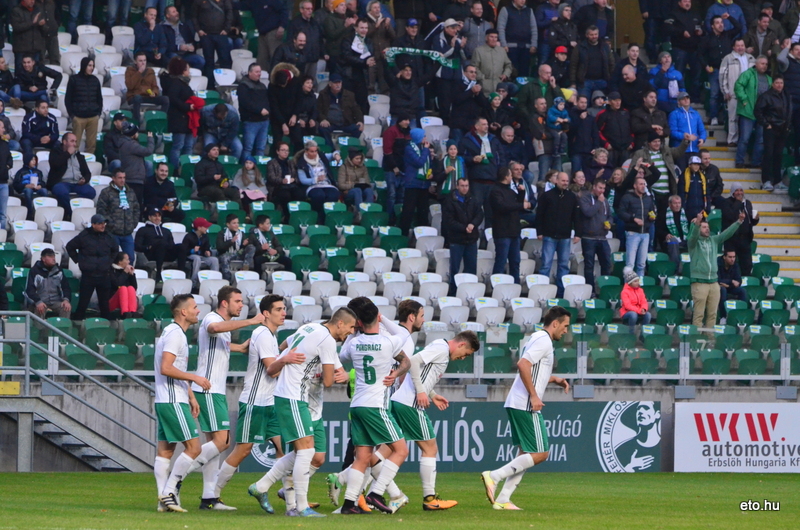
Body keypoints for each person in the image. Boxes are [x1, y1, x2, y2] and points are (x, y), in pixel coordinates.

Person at [249, 308, 356, 517]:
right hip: (293, 396)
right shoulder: (326, 339)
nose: (351, 332)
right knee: (305, 452)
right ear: (340, 324)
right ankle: (301, 506)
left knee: (314, 456)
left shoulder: (309, 328)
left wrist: (287, 358)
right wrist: (338, 378)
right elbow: (327, 381)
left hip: (303, 400)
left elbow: (287, 346)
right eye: (351, 327)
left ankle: (262, 486)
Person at [480, 305, 571, 511]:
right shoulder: (544, 340)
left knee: (526, 454)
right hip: (525, 404)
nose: (566, 330)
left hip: (517, 402)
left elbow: (534, 370)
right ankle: (493, 476)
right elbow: (523, 364)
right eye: (565, 326)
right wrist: (534, 395)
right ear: (555, 324)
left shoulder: (538, 338)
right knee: (541, 453)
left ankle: (503, 499)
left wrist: (554, 379)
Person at [211, 294, 295, 510]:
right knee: (243, 450)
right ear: (266, 313)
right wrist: (288, 361)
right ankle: (212, 495)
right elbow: (272, 369)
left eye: (284, 308)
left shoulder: (271, 335)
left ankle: (290, 500)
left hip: (270, 402)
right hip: (255, 402)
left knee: (282, 449)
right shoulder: (263, 334)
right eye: (278, 309)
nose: (283, 312)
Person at [187, 286, 266, 511]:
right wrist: (251, 321)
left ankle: (209, 498)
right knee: (223, 442)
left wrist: (239, 348)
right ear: (224, 303)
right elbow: (214, 328)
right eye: (238, 301)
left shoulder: (224, 327)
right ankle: (177, 475)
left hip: (215, 390)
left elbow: (218, 342)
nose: (241, 305)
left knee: (216, 445)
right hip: (208, 389)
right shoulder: (212, 318)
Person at [390, 331, 478, 510]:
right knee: (430, 448)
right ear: (461, 345)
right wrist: (421, 392)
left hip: (399, 401)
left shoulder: (440, 348)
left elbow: (422, 373)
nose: (463, 358)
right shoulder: (441, 348)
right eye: (466, 354)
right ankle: (429, 499)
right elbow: (413, 361)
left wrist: (432, 394)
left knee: (385, 451)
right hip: (410, 404)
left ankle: (347, 480)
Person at [337, 303, 410, 515]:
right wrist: (395, 375)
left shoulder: (354, 343)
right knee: (401, 449)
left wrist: (355, 332)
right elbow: (404, 337)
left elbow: (342, 357)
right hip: (376, 406)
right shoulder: (389, 341)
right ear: (377, 318)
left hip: (357, 406)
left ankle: (349, 504)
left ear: (357, 323)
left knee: (362, 456)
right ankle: (376, 493)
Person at [153, 294, 211, 513]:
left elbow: (172, 370)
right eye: (195, 307)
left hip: (166, 398)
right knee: (194, 448)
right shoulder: (176, 335)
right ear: (183, 312)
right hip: (171, 400)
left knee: (166, 451)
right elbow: (166, 368)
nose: (198, 311)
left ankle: (163, 501)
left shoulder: (173, 333)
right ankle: (169, 491)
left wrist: (191, 395)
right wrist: (194, 378)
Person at [689, 210, 745, 329]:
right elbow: (693, 236)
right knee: (699, 315)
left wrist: (739, 222)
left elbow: (726, 234)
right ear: (698, 228)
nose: (707, 229)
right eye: (704, 227)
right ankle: (695, 341)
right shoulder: (693, 243)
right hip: (699, 282)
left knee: (713, 315)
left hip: (714, 283)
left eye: (708, 227)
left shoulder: (713, 240)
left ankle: (709, 339)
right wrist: (697, 223)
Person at [66, 214, 118, 320]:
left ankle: (106, 326)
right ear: (93, 224)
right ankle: (77, 324)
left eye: (104, 223)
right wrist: (79, 260)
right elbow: (70, 247)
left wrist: (109, 262)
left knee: (104, 304)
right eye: (100, 223)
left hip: (104, 274)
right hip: (88, 275)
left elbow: (115, 250)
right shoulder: (84, 236)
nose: (103, 225)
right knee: (83, 302)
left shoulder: (109, 236)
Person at [536, 172, 578, 297]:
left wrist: (578, 233)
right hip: (549, 235)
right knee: (545, 265)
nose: (565, 183)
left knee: (564, 266)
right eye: (563, 180)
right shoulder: (546, 196)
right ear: (556, 181)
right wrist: (539, 232)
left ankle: (561, 293)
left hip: (565, 236)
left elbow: (576, 216)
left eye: (567, 181)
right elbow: (539, 215)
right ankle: (542, 293)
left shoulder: (572, 197)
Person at [699, 14, 743, 127]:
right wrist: (705, 66)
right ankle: (713, 117)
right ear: (712, 26)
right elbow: (700, 54)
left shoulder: (728, 35)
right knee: (714, 94)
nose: (720, 25)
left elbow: (739, 27)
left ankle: (724, 117)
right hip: (715, 70)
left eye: (721, 22)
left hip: (729, 70)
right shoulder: (707, 39)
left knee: (728, 94)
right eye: (717, 23)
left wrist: (729, 17)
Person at [442, 176, 483, 295]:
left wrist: (473, 224)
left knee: (471, 269)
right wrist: (464, 228)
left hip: (471, 239)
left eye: (466, 186)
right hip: (457, 239)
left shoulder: (472, 199)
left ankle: (469, 292)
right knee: (455, 269)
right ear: (457, 186)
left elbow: (480, 214)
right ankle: (454, 292)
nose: (465, 188)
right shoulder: (450, 201)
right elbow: (449, 221)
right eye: (462, 186)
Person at [490, 166, 528, 283]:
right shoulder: (495, 191)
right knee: (501, 261)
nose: (512, 177)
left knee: (515, 262)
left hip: (514, 231)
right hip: (502, 232)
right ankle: (497, 286)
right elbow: (502, 207)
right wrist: (521, 205)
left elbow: (516, 205)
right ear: (506, 177)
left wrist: (521, 193)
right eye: (511, 175)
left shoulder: (511, 191)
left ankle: (515, 285)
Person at [755, 74, 792, 192]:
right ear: (772, 84)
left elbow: (789, 111)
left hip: (783, 130)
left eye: (781, 83)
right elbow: (758, 111)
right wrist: (766, 124)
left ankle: (777, 181)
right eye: (777, 83)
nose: (779, 85)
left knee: (778, 156)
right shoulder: (766, 96)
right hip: (771, 129)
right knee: (768, 154)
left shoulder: (786, 95)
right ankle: (766, 180)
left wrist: (788, 126)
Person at [97, 170, 140, 265]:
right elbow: (101, 210)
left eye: (124, 177)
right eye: (120, 178)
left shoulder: (130, 192)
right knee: (113, 258)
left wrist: (133, 223)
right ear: (113, 178)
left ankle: (127, 278)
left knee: (130, 259)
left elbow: (136, 209)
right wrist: (110, 224)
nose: (122, 180)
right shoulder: (106, 192)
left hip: (127, 232)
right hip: (113, 232)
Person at [734, 56, 770, 170]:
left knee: (760, 140)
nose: (764, 66)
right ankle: (739, 161)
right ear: (756, 64)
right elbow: (738, 85)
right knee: (745, 138)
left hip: (762, 113)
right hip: (748, 111)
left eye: (766, 64)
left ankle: (756, 162)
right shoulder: (748, 74)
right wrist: (744, 99)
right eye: (762, 63)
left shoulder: (769, 78)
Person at [47, 132, 94, 217]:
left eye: (75, 141)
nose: (74, 144)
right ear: (64, 142)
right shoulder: (55, 152)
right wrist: (67, 154)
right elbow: (55, 165)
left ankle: (75, 207)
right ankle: (71, 213)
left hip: (77, 183)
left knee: (91, 192)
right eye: (72, 141)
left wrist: (84, 179)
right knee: (61, 191)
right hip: (61, 182)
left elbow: (87, 173)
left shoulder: (79, 156)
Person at [665, 0, 704, 101]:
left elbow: (702, 27)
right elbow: (667, 28)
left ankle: (695, 98)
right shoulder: (673, 14)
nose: (688, 3)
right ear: (679, 3)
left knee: (696, 75)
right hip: (680, 49)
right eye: (685, 1)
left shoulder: (695, 14)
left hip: (694, 49)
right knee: (679, 75)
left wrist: (701, 31)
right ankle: (679, 98)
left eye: (689, 1)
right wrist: (681, 32)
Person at [579, 178, 612, 296]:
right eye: (600, 188)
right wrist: (598, 201)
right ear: (594, 187)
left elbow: (609, 215)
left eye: (603, 188)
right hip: (589, 237)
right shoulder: (585, 198)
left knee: (607, 264)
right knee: (589, 266)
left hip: (603, 237)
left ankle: (605, 290)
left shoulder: (605, 200)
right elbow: (588, 212)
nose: (602, 191)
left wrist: (609, 223)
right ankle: (591, 291)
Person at [719, 39, 755, 147]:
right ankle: (732, 140)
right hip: (733, 94)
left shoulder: (751, 58)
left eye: (742, 45)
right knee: (733, 118)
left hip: (748, 95)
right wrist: (725, 91)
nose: (740, 47)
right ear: (733, 47)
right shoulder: (728, 58)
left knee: (747, 119)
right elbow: (722, 76)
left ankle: (745, 142)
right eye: (738, 45)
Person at [430, 18, 466, 123]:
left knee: (456, 101)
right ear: (446, 28)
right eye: (453, 28)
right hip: (443, 75)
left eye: (456, 28)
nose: (455, 31)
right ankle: (444, 122)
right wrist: (452, 46)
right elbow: (440, 56)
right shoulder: (437, 39)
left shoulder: (458, 38)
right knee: (444, 102)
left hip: (456, 74)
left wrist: (462, 47)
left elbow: (464, 57)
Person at [399, 128, 434, 236]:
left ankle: (421, 237)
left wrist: (430, 173)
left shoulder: (424, 148)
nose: (425, 138)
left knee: (423, 212)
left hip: (424, 184)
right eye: (424, 136)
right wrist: (426, 150)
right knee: (408, 211)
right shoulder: (409, 149)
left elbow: (428, 164)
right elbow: (419, 162)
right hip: (412, 184)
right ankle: (403, 236)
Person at [618, 177, 655, 277]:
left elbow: (652, 212)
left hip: (645, 233)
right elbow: (621, 213)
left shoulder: (648, 198)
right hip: (632, 233)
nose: (643, 186)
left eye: (644, 184)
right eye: (641, 184)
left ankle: (639, 288)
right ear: (635, 185)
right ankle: (628, 288)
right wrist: (633, 218)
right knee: (630, 264)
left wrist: (652, 217)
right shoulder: (627, 197)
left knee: (641, 264)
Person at [165, 57, 198, 170]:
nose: (189, 72)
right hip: (178, 120)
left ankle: (186, 170)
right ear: (182, 70)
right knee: (178, 146)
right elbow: (173, 98)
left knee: (189, 146)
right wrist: (187, 107)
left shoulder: (184, 83)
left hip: (188, 120)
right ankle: (174, 170)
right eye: (188, 69)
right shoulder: (176, 83)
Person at [297, 140, 340, 224]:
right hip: (312, 186)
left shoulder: (321, 156)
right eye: (312, 151)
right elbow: (303, 180)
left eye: (316, 151)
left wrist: (336, 155)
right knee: (319, 195)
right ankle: (318, 218)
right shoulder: (301, 163)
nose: (314, 153)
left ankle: (326, 217)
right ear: (306, 151)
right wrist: (316, 179)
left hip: (326, 184)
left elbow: (335, 153)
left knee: (334, 194)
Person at [193, 0, 234, 87]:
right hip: (206, 35)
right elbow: (194, 15)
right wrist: (198, 30)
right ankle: (210, 87)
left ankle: (225, 85)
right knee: (209, 62)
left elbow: (229, 12)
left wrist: (227, 29)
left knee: (225, 60)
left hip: (221, 34)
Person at [64, 57, 101, 155]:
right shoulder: (73, 79)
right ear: (84, 66)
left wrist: (98, 114)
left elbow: (99, 98)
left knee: (91, 144)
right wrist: (73, 116)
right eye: (89, 65)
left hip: (93, 117)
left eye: (93, 66)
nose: (91, 68)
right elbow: (68, 99)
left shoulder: (95, 80)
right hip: (78, 118)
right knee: (74, 144)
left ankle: (88, 165)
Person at [721, 182, 759, 277]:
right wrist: (738, 202)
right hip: (731, 239)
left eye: (741, 190)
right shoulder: (726, 203)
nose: (739, 193)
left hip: (745, 239)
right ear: (732, 192)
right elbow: (729, 216)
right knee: (730, 263)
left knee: (747, 264)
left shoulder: (747, 203)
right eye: (736, 190)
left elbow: (750, 221)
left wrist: (756, 219)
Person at [317, 73, 364, 148]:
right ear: (330, 84)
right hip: (330, 123)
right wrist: (323, 119)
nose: (338, 85)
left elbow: (356, 109)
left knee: (357, 128)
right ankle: (331, 149)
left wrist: (360, 120)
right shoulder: (323, 94)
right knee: (322, 128)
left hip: (345, 123)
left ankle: (349, 148)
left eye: (339, 82)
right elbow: (318, 109)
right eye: (335, 83)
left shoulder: (349, 95)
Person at [340, 18, 375, 114]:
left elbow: (371, 54)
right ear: (356, 28)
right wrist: (364, 62)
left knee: (362, 104)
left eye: (366, 28)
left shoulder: (368, 41)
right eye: (362, 27)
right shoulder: (348, 40)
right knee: (348, 104)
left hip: (363, 77)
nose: (364, 30)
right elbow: (347, 57)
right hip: (349, 76)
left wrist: (369, 61)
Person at [135, 207, 182, 279]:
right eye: (154, 216)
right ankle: (158, 273)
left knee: (181, 246)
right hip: (150, 254)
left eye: (159, 216)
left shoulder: (166, 231)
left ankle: (181, 271)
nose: (157, 218)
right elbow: (137, 246)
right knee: (160, 244)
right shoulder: (143, 230)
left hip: (166, 253)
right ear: (149, 217)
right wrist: (148, 247)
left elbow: (171, 245)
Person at [237, 63, 271, 162]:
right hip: (250, 121)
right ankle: (245, 170)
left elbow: (267, 100)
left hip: (264, 121)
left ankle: (258, 170)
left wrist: (267, 111)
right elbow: (246, 103)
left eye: (260, 72)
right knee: (248, 148)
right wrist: (259, 110)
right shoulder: (243, 86)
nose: (259, 74)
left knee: (261, 148)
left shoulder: (262, 85)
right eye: (256, 72)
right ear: (250, 72)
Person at [569, 25, 614, 97]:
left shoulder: (605, 46)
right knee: (583, 104)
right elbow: (573, 65)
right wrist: (573, 83)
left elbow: (611, 63)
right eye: (591, 35)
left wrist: (611, 80)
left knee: (602, 104)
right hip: (585, 82)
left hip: (602, 81)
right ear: (587, 35)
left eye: (596, 34)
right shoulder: (580, 47)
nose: (594, 36)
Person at [126, 52, 171, 125]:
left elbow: (155, 86)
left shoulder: (150, 71)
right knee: (137, 98)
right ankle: (137, 122)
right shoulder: (129, 70)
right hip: (135, 96)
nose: (143, 63)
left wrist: (154, 93)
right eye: (140, 61)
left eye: (144, 60)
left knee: (165, 99)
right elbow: (130, 86)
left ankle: (159, 120)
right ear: (135, 62)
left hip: (148, 96)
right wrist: (139, 72)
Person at [25, 248, 71, 318]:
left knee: (66, 308)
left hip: (56, 301)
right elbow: (30, 290)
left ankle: (62, 328)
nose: (53, 259)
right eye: (50, 257)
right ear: (43, 259)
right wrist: (38, 302)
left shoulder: (59, 271)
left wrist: (66, 300)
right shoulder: (34, 271)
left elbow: (66, 287)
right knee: (40, 308)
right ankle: (39, 328)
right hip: (41, 301)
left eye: (54, 256)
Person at [117, 123, 154, 209]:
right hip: (134, 179)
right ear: (132, 133)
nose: (138, 134)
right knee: (136, 207)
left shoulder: (125, 143)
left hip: (131, 177)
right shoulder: (131, 145)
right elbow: (148, 151)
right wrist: (150, 138)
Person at [382, 114, 411, 222]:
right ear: (399, 121)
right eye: (405, 119)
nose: (407, 122)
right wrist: (394, 166)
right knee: (392, 195)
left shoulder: (408, 133)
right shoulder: (391, 131)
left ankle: (399, 218)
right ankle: (389, 219)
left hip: (404, 168)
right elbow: (387, 151)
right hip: (391, 169)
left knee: (402, 196)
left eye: (408, 120)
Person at [497, 0, 537, 78]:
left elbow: (534, 28)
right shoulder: (505, 10)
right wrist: (503, 44)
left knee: (524, 73)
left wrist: (534, 44)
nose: (523, 1)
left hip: (526, 47)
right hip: (510, 47)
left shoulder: (529, 11)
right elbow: (501, 28)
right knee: (512, 72)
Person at [449, 64, 489, 142]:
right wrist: (471, 91)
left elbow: (485, 104)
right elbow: (456, 100)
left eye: (475, 72)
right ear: (464, 73)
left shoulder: (477, 86)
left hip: (471, 125)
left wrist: (478, 94)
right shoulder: (457, 83)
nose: (474, 74)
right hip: (458, 124)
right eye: (471, 72)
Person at [596, 91, 633, 167]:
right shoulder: (602, 114)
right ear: (609, 102)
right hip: (611, 149)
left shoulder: (626, 112)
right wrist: (606, 144)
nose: (618, 103)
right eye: (615, 100)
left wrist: (632, 143)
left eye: (619, 100)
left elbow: (632, 129)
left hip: (626, 148)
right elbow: (597, 131)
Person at [290, 1, 326, 80]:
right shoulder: (295, 23)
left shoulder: (315, 23)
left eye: (311, 9)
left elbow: (319, 39)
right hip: (301, 59)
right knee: (299, 81)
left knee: (311, 82)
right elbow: (290, 41)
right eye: (308, 9)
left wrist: (323, 53)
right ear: (301, 10)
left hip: (313, 59)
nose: (310, 11)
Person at [472, 29, 513, 97]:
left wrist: (505, 74)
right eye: (491, 37)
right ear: (486, 38)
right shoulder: (478, 51)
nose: (494, 39)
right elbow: (474, 67)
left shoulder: (501, 51)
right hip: (484, 87)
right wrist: (482, 77)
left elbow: (508, 65)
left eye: (496, 37)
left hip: (499, 87)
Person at [162, 5, 205, 70]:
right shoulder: (163, 27)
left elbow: (191, 41)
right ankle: (179, 78)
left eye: (176, 11)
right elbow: (164, 46)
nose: (177, 13)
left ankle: (190, 77)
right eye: (174, 12)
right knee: (176, 60)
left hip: (186, 54)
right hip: (172, 53)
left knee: (201, 60)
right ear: (168, 16)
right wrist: (179, 47)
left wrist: (192, 46)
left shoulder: (184, 26)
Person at [529, 96, 561, 180]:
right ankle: (541, 193)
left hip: (555, 150)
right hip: (543, 150)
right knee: (543, 177)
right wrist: (554, 134)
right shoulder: (534, 118)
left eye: (545, 103)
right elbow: (540, 134)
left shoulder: (551, 115)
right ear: (536, 105)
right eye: (541, 104)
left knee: (559, 176)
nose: (544, 106)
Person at [182, 217, 220, 288]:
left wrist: (208, 252)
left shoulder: (205, 236)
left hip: (202, 256)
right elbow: (183, 250)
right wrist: (192, 250)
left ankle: (215, 281)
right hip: (190, 256)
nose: (207, 228)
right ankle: (194, 282)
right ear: (199, 228)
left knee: (214, 260)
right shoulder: (188, 236)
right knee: (197, 259)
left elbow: (207, 247)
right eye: (205, 227)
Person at [217, 214, 256, 281]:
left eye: (237, 223)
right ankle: (228, 280)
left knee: (251, 247)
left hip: (238, 254)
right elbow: (220, 248)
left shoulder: (241, 233)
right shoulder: (222, 233)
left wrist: (244, 245)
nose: (237, 225)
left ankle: (245, 268)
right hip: (227, 254)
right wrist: (231, 242)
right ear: (228, 224)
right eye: (234, 223)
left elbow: (241, 249)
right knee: (224, 257)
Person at [656, 195, 690, 271]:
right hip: (668, 240)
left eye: (679, 203)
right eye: (675, 203)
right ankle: (675, 268)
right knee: (673, 241)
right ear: (669, 204)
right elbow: (658, 229)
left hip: (684, 239)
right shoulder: (663, 214)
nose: (678, 205)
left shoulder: (685, 213)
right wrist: (666, 234)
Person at [568, 94, 600, 172]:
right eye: (581, 102)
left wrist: (595, 147)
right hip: (576, 151)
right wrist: (580, 119)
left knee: (588, 174)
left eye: (585, 102)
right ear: (577, 102)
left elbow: (595, 134)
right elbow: (570, 131)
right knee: (575, 173)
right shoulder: (571, 115)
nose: (584, 104)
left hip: (588, 151)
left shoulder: (591, 118)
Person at [287, 76, 319, 152]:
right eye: (307, 83)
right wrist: (298, 120)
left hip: (307, 119)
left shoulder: (313, 96)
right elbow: (291, 110)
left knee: (314, 127)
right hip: (296, 120)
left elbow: (315, 110)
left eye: (311, 83)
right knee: (298, 133)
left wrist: (312, 119)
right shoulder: (295, 95)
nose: (310, 85)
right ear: (302, 84)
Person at [717, 250, 747, 324]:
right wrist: (731, 281)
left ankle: (741, 315)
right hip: (718, 287)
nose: (732, 259)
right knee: (723, 290)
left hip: (730, 287)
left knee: (742, 291)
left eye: (734, 257)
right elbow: (718, 280)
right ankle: (723, 317)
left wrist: (728, 284)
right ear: (724, 257)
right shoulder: (717, 263)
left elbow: (739, 281)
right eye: (730, 257)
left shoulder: (735, 264)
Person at [13, 153, 46, 217]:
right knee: (28, 191)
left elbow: (43, 182)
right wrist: (25, 185)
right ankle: (30, 213)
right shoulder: (20, 172)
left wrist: (40, 186)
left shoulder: (38, 172)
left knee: (44, 191)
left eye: (35, 160)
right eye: (32, 160)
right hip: (26, 188)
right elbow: (16, 184)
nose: (34, 162)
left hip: (36, 188)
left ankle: (43, 212)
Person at [678, 155, 710, 220]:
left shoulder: (702, 177)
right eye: (694, 164)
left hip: (701, 209)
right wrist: (683, 207)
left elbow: (707, 193)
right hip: (688, 209)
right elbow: (681, 193)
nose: (696, 166)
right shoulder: (683, 176)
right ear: (689, 165)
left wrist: (708, 207)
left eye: (698, 164)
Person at [108, 252, 139, 319]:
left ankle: (132, 312)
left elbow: (134, 288)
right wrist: (125, 272)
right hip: (112, 300)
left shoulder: (127, 272)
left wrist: (131, 275)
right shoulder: (110, 271)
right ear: (120, 262)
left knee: (130, 288)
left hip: (126, 301)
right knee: (123, 288)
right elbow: (117, 284)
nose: (129, 262)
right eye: (127, 260)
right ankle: (124, 313)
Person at [620, 270, 651, 335]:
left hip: (639, 310)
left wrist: (643, 309)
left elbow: (644, 301)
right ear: (630, 283)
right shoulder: (624, 292)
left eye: (638, 281)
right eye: (635, 281)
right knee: (633, 315)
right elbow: (627, 305)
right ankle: (631, 333)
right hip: (627, 312)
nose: (637, 283)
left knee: (648, 315)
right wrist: (639, 310)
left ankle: (643, 334)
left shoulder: (640, 290)